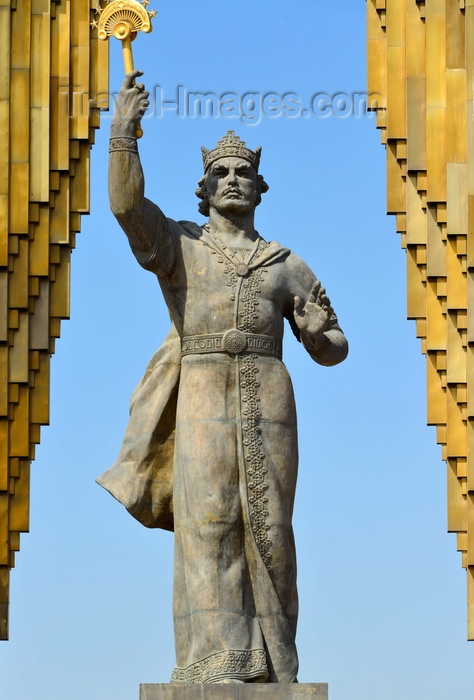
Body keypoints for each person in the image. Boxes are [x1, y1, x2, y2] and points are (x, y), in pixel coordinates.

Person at [97, 71, 348, 685]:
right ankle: (214, 658)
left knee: (268, 527)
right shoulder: (180, 246)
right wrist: (123, 138)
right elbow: (127, 208)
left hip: (271, 392)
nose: (233, 180)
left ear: (259, 189)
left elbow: (335, 346)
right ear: (204, 190)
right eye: (222, 174)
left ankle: (274, 663)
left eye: (243, 174)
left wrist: (317, 331)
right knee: (208, 518)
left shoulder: (286, 263)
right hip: (203, 385)